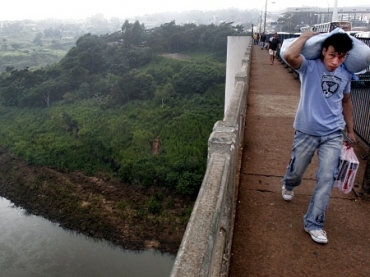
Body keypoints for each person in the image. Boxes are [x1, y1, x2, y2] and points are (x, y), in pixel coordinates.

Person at [282, 32, 356, 244]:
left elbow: (346, 102)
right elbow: (289, 55)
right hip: (306, 130)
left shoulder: (346, 74)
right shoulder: (310, 66)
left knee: (326, 177)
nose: (335, 62)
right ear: (324, 50)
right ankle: (288, 183)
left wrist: (350, 130)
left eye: (341, 57)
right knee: (297, 172)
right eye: (332, 55)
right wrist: (305, 36)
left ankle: (314, 223)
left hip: (333, 133)